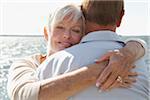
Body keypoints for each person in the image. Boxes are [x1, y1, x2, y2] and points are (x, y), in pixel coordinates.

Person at [7, 3, 147, 100]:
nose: (67, 35)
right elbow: (23, 95)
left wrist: (127, 53)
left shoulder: (75, 59)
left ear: (84, 34)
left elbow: (140, 44)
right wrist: (104, 70)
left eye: (75, 30)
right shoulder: (26, 64)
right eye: (60, 27)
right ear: (46, 32)